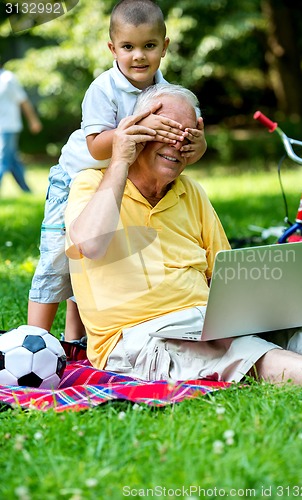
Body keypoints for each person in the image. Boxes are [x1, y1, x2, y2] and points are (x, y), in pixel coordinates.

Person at [65, 83, 302, 385]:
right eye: (166, 131)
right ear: (138, 129)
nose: (177, 144)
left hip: (204, 322)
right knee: (241, 350)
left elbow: (224, 274)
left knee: (299, 333)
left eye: (187, 135)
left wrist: (258, 313)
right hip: (138, 337)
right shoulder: (92, 183)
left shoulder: (190, 191)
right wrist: (120, 161)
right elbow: (90, 245)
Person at [27, 0, 207, 341]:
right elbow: (95, 146)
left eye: (149, 46)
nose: (138, 56)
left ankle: (74, 340)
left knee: (93, 262)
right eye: (128, 47)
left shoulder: (165, 93)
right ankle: (34, 338)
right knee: (57, 257)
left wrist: (198, 147)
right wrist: (138, 126)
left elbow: (183, 148)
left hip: (118, 181)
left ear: (164, 47)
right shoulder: (103, 89)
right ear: (113, 48)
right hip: (74, 179)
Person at [0, 61, 42, 192]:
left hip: (8, 126)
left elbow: (23, 100)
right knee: (12, 160)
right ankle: (26, 190)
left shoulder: (8, 78)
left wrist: (33, 120)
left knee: (3, 159)